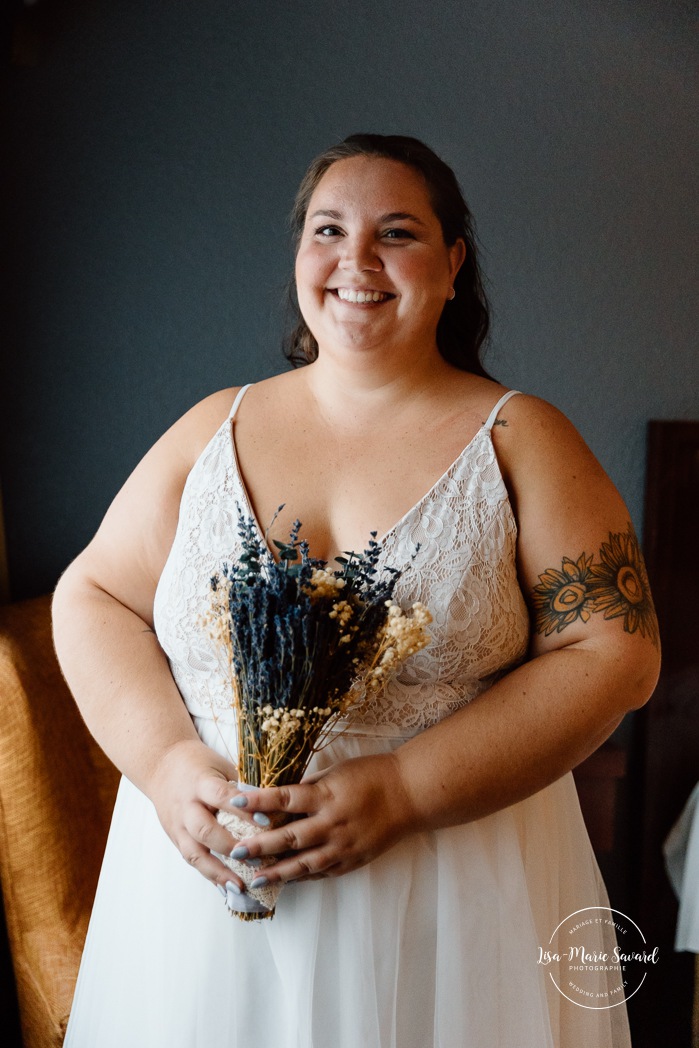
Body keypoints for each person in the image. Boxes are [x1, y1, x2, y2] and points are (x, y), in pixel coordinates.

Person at [53, 133, 660, 1048]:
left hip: (446, 902)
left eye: (397, 233)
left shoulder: (520, 440)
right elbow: (93, 595)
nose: (356, 260)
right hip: (197, 906)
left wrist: (404, 791)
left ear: (453, 264)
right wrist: (166, 765)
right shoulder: (214, 425)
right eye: (328, 230)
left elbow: (616, 650)